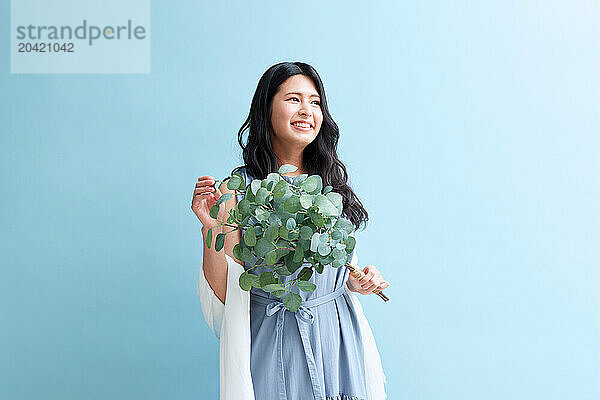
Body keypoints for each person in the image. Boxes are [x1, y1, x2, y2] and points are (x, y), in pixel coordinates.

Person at [191, 61, 389, 400]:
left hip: (337, 338)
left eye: (315, 102)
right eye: (293, 99)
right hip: (275, 339)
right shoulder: (236, 192)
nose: (307, 111)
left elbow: (336, 264)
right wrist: (212, 231)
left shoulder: (331, 185)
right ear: (266, 109)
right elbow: (224, 296)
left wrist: (357, 279)